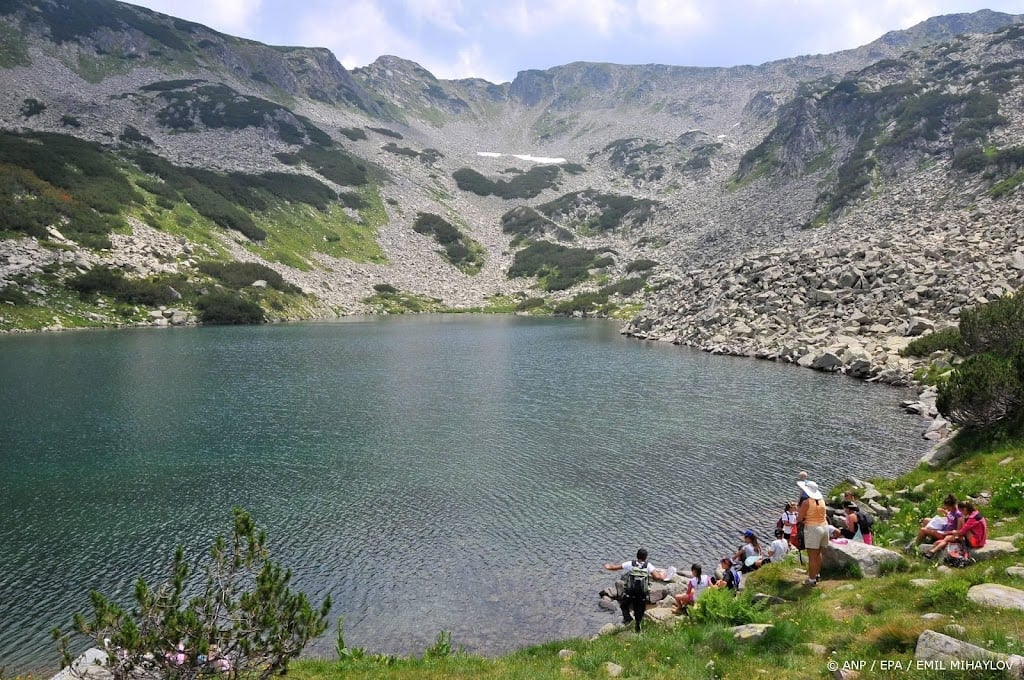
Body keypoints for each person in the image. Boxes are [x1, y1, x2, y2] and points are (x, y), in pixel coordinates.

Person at [604, 548, 656, 631]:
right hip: (642, 594)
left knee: (623, 605)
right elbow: (657, 576)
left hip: (630, 593)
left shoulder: (631, 564)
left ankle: (628, 619)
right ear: (645, 557)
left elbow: (617, 567)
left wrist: (608, 567)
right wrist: (664, 576)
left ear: (637, 556)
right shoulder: (648, 565)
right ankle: (638, 625)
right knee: (640, 610)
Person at [796, 479, 829, 586]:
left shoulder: (806, 502)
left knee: (812, 556)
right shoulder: (821, 500)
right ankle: (817, 574)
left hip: (813, 529)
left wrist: (803, 518)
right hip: (824, 527)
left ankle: (811, 580)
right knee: (818, 553)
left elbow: (799, 518)